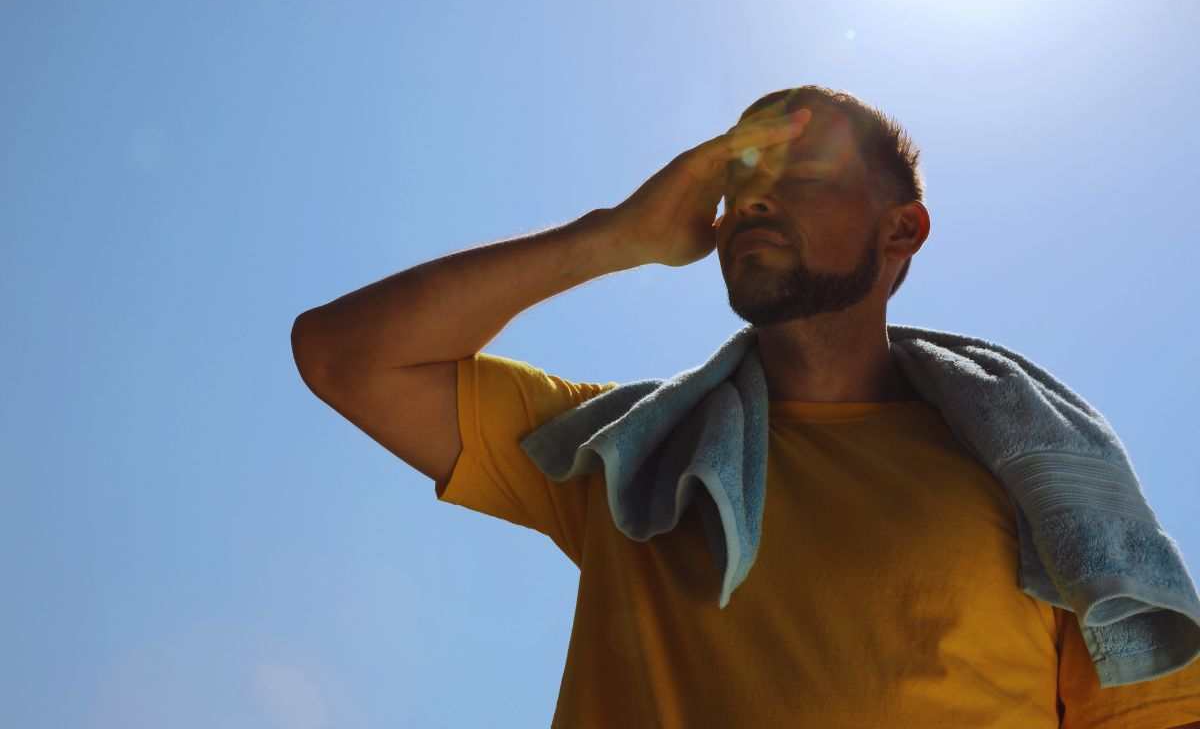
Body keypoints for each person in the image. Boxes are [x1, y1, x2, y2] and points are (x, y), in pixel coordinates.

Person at [291, 85, 1200, 728]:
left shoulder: (1032, 482)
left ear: (901, 230)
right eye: (740, 180)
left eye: (801, 175)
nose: (754, 194)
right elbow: (346, 357)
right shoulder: (627, 460)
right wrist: (616, 236)